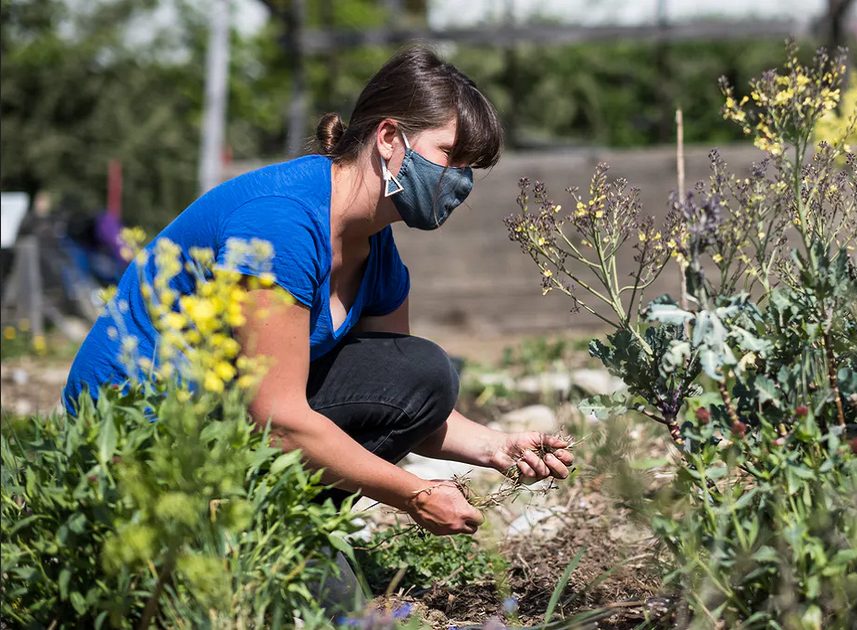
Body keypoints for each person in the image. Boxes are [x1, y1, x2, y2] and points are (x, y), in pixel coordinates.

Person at [63, 46, 574, 536]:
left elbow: (397, 397)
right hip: (136, 444)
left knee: (423, 372)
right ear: (389, 137)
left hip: (225, 428)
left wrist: (496, 446)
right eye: (450, 157)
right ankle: (249, 535)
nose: (460, 182)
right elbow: (278, 417)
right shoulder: (281, 222)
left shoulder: (377, 252)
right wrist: (415, 494)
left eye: (471, 170)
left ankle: (279, 532)